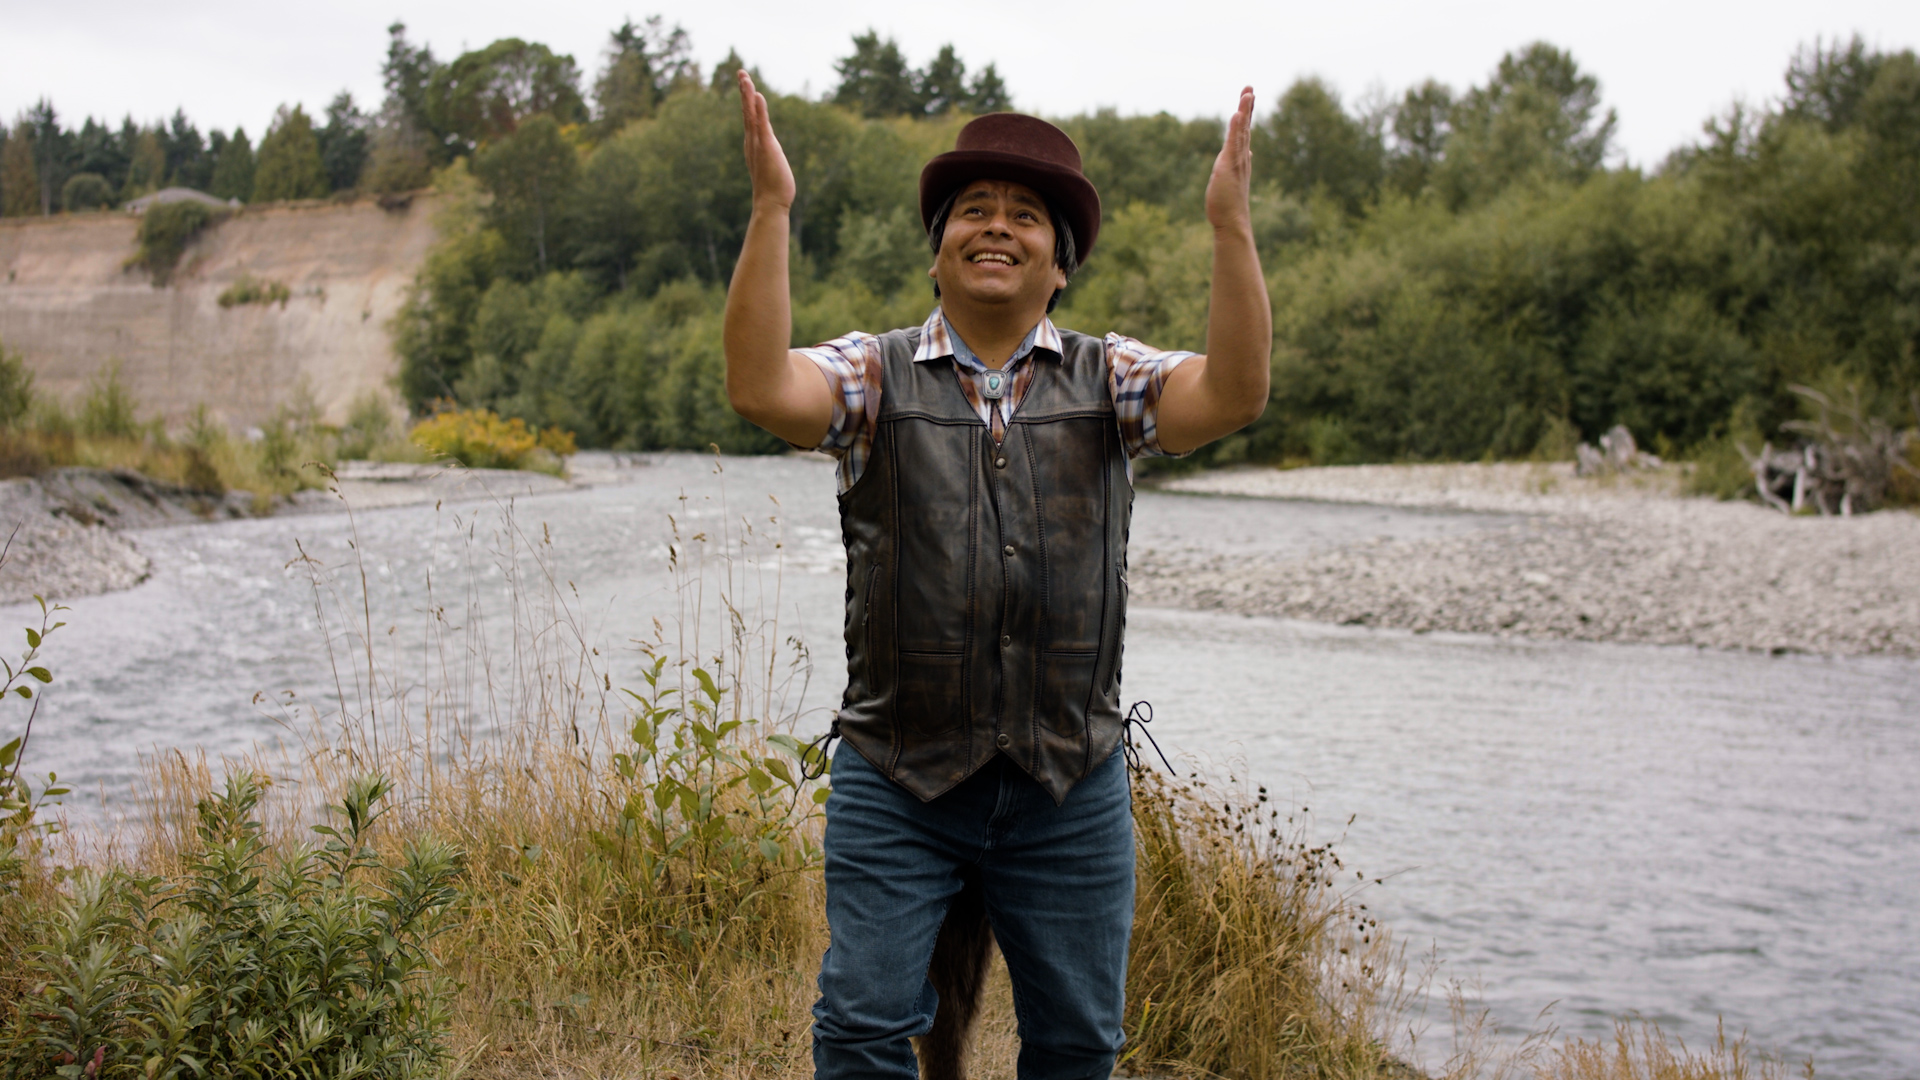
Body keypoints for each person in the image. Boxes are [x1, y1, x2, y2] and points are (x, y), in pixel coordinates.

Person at [722, 68, 1271, 1080]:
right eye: (973, 210)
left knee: (1076, 1044)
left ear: (1059, 265)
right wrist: (771, 208)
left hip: (1070, 781)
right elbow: (760, 386)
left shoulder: (1110, 379)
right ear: (937, 251)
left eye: (1026, 216)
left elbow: (1233, 394)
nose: (997, 228)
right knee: (862, 1030)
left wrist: (1230, 228)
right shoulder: (873, 375)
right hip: (899, 775)